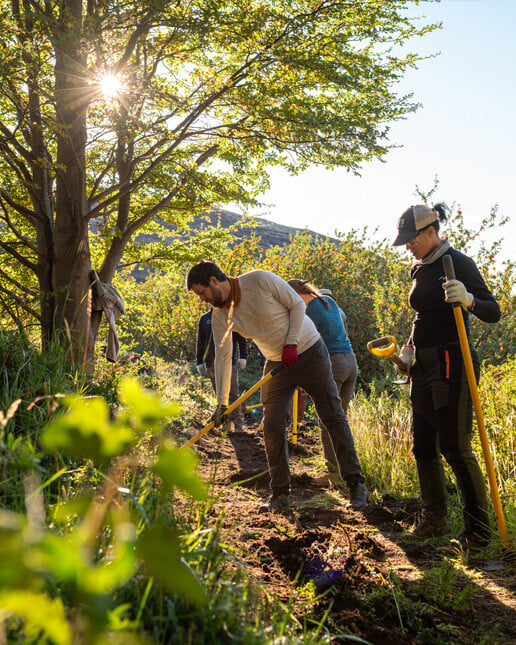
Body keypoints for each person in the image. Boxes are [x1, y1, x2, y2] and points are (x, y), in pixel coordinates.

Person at [187, 261, 368, 513]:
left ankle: (356, 484)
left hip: (308, 350)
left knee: (332, 416)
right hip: (276, 363)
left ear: (214, 281)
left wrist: (291, 343)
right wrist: (222, 403)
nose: (203, 299)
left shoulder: (259, 280)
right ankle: (280, 494)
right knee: (271, 427)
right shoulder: (219, 317)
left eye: (202, 292)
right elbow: (223, 358)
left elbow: (296, 305)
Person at [393, 203, 500, 551]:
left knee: (455, 446)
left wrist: (469, 299)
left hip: (453, 361)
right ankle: (434, 519)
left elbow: (493, 310)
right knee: (423, 446)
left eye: (412, 239)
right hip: (422, 365)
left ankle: (479, 533)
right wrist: (409, 347)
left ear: (430, 231)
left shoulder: (459, 263)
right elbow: (423, 315)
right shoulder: (419, 268)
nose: (408, 245)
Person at [287, 280, 358, 486]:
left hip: (334, 363)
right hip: (350, 362)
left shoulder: (308, 312)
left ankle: (333, 473)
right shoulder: (329, 301)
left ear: (299, 294)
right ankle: (348, 472)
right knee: (340, 420)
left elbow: (304, 344)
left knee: (328, 421)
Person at [196, 308, 247, 431]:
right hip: (211, 362)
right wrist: (199, 361)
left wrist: (243, 356)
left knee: (233, 393)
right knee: (219, 395)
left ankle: (239, 424)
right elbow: (200, 341)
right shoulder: (205, 319)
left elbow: (241, 338)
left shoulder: (230, 316)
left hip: (230, 361)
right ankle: (226, 423)